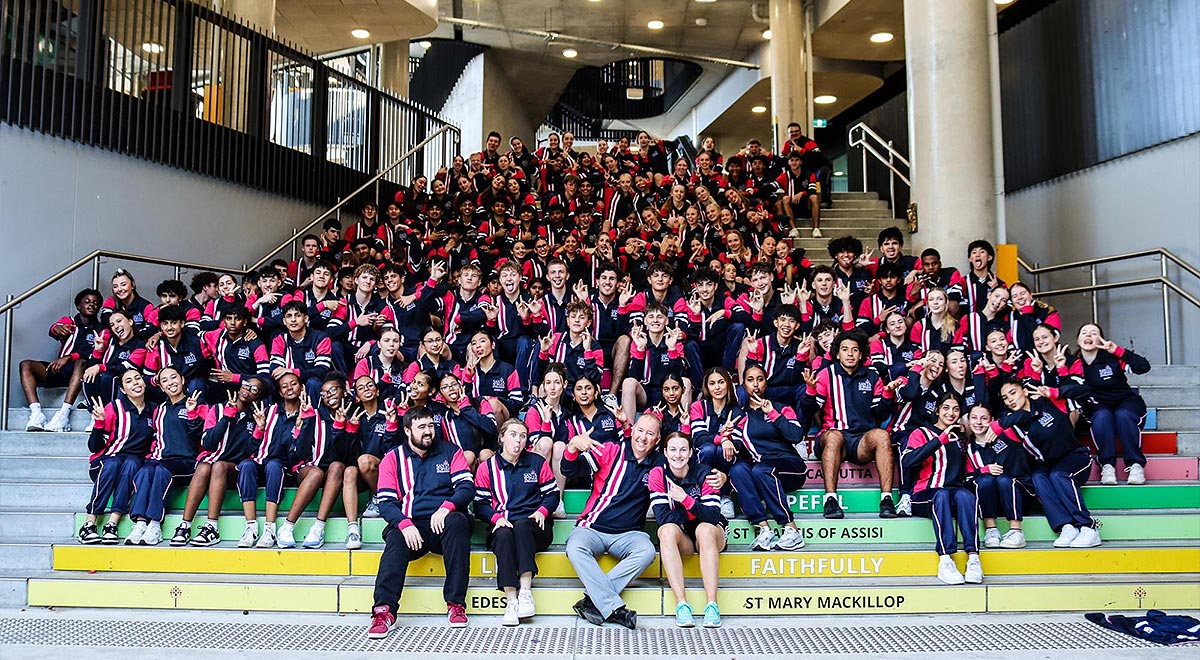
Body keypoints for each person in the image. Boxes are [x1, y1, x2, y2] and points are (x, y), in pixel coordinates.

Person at [368, 406, 475, 638]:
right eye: (422, 427)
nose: (428, 432)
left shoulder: (451, 451)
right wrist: (404, 524)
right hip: (412, 528)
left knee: (457, 523)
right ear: (407, 430)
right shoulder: (392, 458)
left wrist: (446, 507)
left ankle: (456, 604)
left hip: (443, 525)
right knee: (395, 537)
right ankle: (383, 611)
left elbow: (466, 487)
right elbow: (386, 502)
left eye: (431, 426)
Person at [562, 414, 662, 630]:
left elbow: (687, 471)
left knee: (646, 551)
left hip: (629, 534)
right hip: (593, 527)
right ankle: (615, 609)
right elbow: (569, 470)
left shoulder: (660, 464)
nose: (643, 438)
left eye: (650, 433)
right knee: (574, 547)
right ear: (632, 430)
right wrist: (572, 447)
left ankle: (592, 601)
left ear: (657, 439)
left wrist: (717, 476)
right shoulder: (611, 450)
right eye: (641, 430)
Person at [989, 379, 1101, 548]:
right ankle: (1065, 526)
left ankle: (1088, 526)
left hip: (1075, 457)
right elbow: (1020, 418)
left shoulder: (1049, 403)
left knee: (1058, 475)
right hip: (1047, 464)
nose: (1010, 400)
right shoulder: (1014, 423)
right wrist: (1000, 424)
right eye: (1005, 398)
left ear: (1025, 391)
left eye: (1013, 393)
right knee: (1038, 477)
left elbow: (1086, 390)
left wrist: (1055, 392)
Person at [805, 330, 899, 519]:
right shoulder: (825, 375)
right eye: (845, 349)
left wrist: (888, 395)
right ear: (837, 353)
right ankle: (831, 500)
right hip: (833, 437)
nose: (850, 354)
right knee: (834, 436)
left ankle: (886, 499)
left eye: (854, 350)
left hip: (860, 442)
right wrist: (810, 390)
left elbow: (879, 413)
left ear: (861, 354)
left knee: (881, 435)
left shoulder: (872, 377)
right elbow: (809, 411)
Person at [473, 419, 560, 626]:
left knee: (521, 525)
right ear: (501, 437)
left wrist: (542, 510)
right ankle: (511, 601)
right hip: (504, 523)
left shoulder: (537, 462)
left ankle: (526, 593)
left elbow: (552, 495)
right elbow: (480, 505)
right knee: (503, 534)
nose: (518, 440)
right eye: (513, 434)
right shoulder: (488, 468)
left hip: (535, 526)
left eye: (522, 436)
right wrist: (497, 519)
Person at [900, 393, 983, 585]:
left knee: (965, 495)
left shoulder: (961, 438)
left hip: (952, 494)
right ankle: (946, 559)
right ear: (937, 410)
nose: (951, 413)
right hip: (925, 494)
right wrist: (940, 440)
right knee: (942, 494)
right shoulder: (921, 433)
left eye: (955, 409)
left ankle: (973, 558)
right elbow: (907, 461)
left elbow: (968, 470)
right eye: (946, 407)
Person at [649, 431, 726, 628]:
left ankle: (712, 604)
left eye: (683, 450)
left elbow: (713, 516)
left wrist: (685, 500)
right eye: (673, 450)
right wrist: (694, 511)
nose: (678, 455)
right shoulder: (658, 474)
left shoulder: (706, 473)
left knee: (705, 530)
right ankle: (682, 604)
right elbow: (663, 518)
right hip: (683, 536)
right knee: (665, 531)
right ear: (665, 452)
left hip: (711, 535)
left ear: (691, 452)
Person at [124, 367, 204, 546]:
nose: (171, 383)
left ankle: (154, 524)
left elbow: (200, 439)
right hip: (163, 459)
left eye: (174, 377)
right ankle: (140, 523)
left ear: (182, 380)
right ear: (161, 387)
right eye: (165, 380)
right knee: (144, 471)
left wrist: (192, 414)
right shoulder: (160, 409)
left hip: (187, 462)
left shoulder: (196, 405)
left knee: (161, 470)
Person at [77, 370, 155, 544]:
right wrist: (98, 424)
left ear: (144, 383)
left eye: (138, 379)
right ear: (124, 389)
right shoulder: (114, 407)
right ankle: (89, 523)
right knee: (113, 464)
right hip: (104, 462)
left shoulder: (154, 410)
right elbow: (94, 447)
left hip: (131, 463)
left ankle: (112, 523)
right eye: (129, 381)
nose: (135, 383)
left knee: (132, 463)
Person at [1072, 323, 1152, 485]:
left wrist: (1118, 351)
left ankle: (1135, 465)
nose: (1088, 336)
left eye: (1094, 333)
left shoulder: (1112, 358)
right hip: (1097, 406)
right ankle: (1107, 465)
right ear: (1078, 340)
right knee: (1101, 416)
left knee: (1123, 415)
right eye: (1084, 333)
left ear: (1100, 339)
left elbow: (1143, 367)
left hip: (1127, 402)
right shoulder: (1073, 364)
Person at [22, 288, 102, 432]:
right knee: (26, 365)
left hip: (82, 374)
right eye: (87, 302)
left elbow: (92, 352)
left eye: (95, 303)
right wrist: (57, 328)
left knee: (82, 362)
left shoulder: (102, 329)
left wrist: (69, 357)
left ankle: (63, 414)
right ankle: (36, 414)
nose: (91, 305)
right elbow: (54, 328)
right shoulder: (70, 322)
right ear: (78, 306)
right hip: (61, 370)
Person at [965, 403, 1029, 549]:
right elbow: (967, 478)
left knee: (1004, 479)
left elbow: (1025, 415)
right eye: (974, 418)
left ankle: (1016, 531)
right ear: (968, 421)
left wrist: (1000, 424)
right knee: (984, 480)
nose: (979, 422)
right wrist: (983, 470)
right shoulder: (969, 449)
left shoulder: (1007, 433)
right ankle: (991, 530)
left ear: (992, 419)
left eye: (984, 418)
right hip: (991, 503)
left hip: (1019, 495)